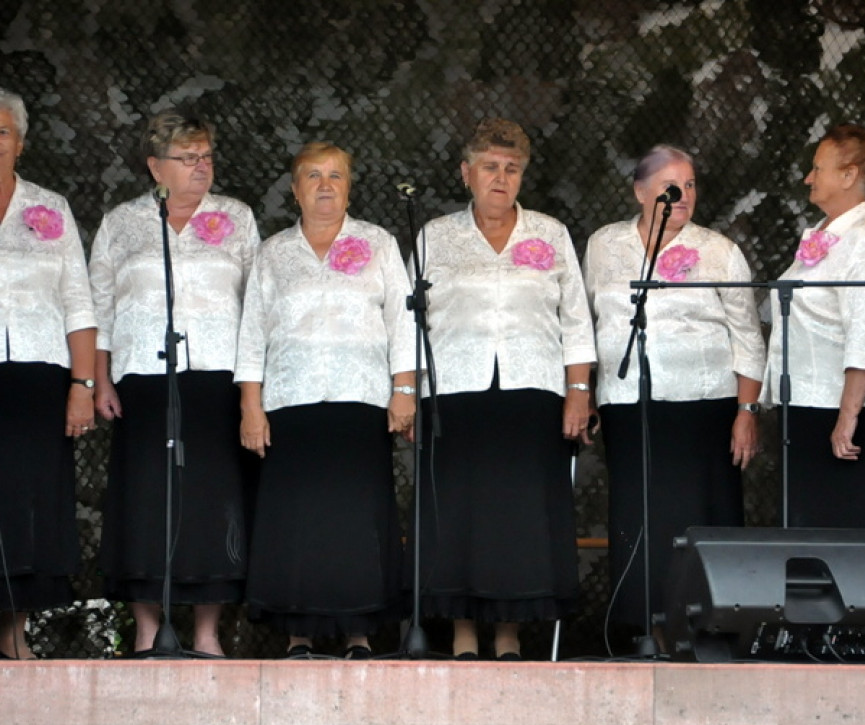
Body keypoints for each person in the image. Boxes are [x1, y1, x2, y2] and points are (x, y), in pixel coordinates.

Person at [413, 117, 596, 660]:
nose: (501, 178)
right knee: (460, 512)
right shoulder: (435, 237)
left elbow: (577, 317)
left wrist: (578, 389)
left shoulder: (549, 232)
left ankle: (511, 633)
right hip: (455, 392)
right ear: (466, 172)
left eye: (512, 169)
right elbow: (410, 323)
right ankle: (464, 631)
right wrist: (409, 394)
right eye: (490, 167)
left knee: (522, 515)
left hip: (532, 390)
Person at [90, 108, 260, 657]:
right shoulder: (122, 223)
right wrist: (99, 380)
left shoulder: (237, 218)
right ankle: (145, 630)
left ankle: (207, 634)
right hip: (143, 375)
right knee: (144, 499)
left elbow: (258, 305)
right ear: (154, 167)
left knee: (214, 500)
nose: (200, 167)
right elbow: (100, 306)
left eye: (206, 157)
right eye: (187, 158)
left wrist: (252, 389)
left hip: (216, 376)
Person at [235, 142, 416, 658]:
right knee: (298, 520)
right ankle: (299, 634)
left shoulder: (377, 243)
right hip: (291, 403)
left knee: (356, 518)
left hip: (361, 402)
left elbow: (402, 323)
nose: (324, 185)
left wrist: (404, 391)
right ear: (294, 189)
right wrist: (252, 404)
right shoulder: (274, 253)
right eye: (312, 176)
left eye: (335, 175)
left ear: (349, 186)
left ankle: (359, 633)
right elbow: (252, 333)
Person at [582, 145, 765, 646]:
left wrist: (746, 410)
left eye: (689, 185)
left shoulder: (719, 250)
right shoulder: (604, 245)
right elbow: (589, 321)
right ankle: (646, 630)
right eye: (670, 185)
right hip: (629, 403)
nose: (682, 195)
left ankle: (709, 629)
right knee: (640, 518)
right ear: (641, 192)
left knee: (703, 515)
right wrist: (586, 391)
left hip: (704, 407)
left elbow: (748, 335)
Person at [762, 124, 865, 593]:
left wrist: (848, 414)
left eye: (818, 168)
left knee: (852, 524)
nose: (807, 178)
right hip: (812, 399)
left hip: (850, 408)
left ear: (850, 174)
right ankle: (817, 626)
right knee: (817, 524)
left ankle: (857, 630)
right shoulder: (825, 236)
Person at [0, 88, 96, 659]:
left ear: (21, 143)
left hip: (37, 375)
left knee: (28, 501)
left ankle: (13, 635)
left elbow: (78, 300)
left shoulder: (49, 208)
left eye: (2, 131)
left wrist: (82, 386)